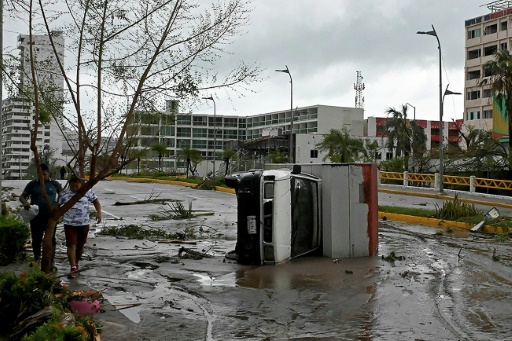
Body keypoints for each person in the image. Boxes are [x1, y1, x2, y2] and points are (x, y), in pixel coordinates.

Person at [19, 163, 62, 268]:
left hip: (50, 216)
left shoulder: (55, 184)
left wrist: (58, 205)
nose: (42, 176)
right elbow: (22, 197)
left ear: (48, 173)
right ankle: (37, 259)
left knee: (51, 239)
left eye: (44, 174)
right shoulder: (32, 184)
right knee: (36, 238)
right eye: (40, 174)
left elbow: (62, 195)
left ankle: (50, 261)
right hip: (36, 216)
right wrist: (25, 203)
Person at [59, 175, 102, 279]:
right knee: (71, 245)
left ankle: (76, 263)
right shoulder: (64, 193)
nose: (75, 188)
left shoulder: (87, 190)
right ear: (69, 185)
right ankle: (73, 266)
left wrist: (99, 213)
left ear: (80, 184)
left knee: (80, 245)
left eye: (77, 186)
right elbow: (57, 206)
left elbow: (96, 201)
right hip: (69, 223)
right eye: (73, 186)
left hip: (84, 223)